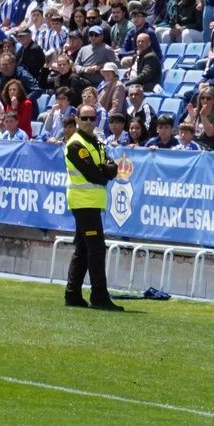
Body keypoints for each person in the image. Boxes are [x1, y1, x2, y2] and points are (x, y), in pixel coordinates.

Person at [64, 105, 122, 311]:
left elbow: (112, 167)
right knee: (96, 249)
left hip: (92, 202)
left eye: (92, 118)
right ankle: (98, 295)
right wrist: (105, 170)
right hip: (83, 201)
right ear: (77, 119)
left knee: (83, 249)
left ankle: (72, 294)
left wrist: (105, 169)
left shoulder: (96, 142)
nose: (89, 121)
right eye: (85, 118)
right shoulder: (76, 144)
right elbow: (95, 174)